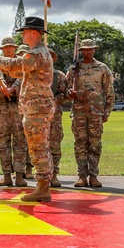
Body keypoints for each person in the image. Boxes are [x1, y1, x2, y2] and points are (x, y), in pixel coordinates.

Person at [0, 17, 56, 202]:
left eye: (25, 31)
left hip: (37, 108)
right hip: (37, 107)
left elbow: (16, 65)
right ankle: (43, 185)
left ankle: (43, 188)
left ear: (34, 32)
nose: (22, 35)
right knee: (39, 147)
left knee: (38, 148)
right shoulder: (38, 53)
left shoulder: (36, 53)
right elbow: (16, 72)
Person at [68, 38, 115, 187]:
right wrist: (70, 94)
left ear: (94, 50)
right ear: (81, 51)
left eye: (90, 49)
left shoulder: (102, 68)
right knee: (80, 144)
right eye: (85, 50)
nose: (88, 52)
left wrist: (107, 112)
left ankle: (93, 176)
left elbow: (109, 92)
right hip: (79, 112)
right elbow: (65, 89)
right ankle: (82, 176)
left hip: (96, 112)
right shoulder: (74, 69)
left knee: (95, 144)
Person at [0, 37, 27, 187]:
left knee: (20, 142)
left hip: (18, 108)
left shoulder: (21, 62)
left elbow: (23, 77)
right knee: (2, 143)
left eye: (10, 47)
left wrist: (12, 88)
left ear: (15, 48)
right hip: (2, 109)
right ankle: (6, 175)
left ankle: (19, 175)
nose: (8, 49)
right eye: (5, 47)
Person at [49, 48, 68, 187]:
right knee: (38, 148)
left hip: (54, 116)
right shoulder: (33, 74)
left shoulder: (59, 76)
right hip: (37, 117)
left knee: (55, 145)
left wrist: (53, 102)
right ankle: (42, 177)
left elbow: (63, 94)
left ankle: (54, 175)